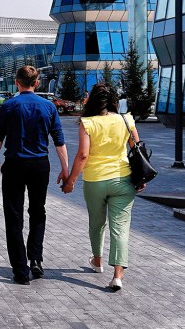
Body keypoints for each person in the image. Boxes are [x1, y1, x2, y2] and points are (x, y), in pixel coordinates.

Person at [0, 65, 68, 285]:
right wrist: (65, 169)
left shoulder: (8, 106)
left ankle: (20, 270)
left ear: (17, 82)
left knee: (13, 216)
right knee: (37, 211)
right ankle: (35, 259)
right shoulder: (49, 107)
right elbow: (59, 142)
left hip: (14, 165)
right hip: (39, 166)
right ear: (37, 83)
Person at [61, 83, 143, 292]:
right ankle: (117, 275)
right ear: (113, 101)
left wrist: (71, 181)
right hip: (123, 180)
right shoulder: (127, 120)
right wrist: (140, 179)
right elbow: (138, 153)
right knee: (120, 227)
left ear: (92, 101)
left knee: (97, 222)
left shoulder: (87, 123)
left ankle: (97, 261)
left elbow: (83, 155)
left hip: (95, 180)